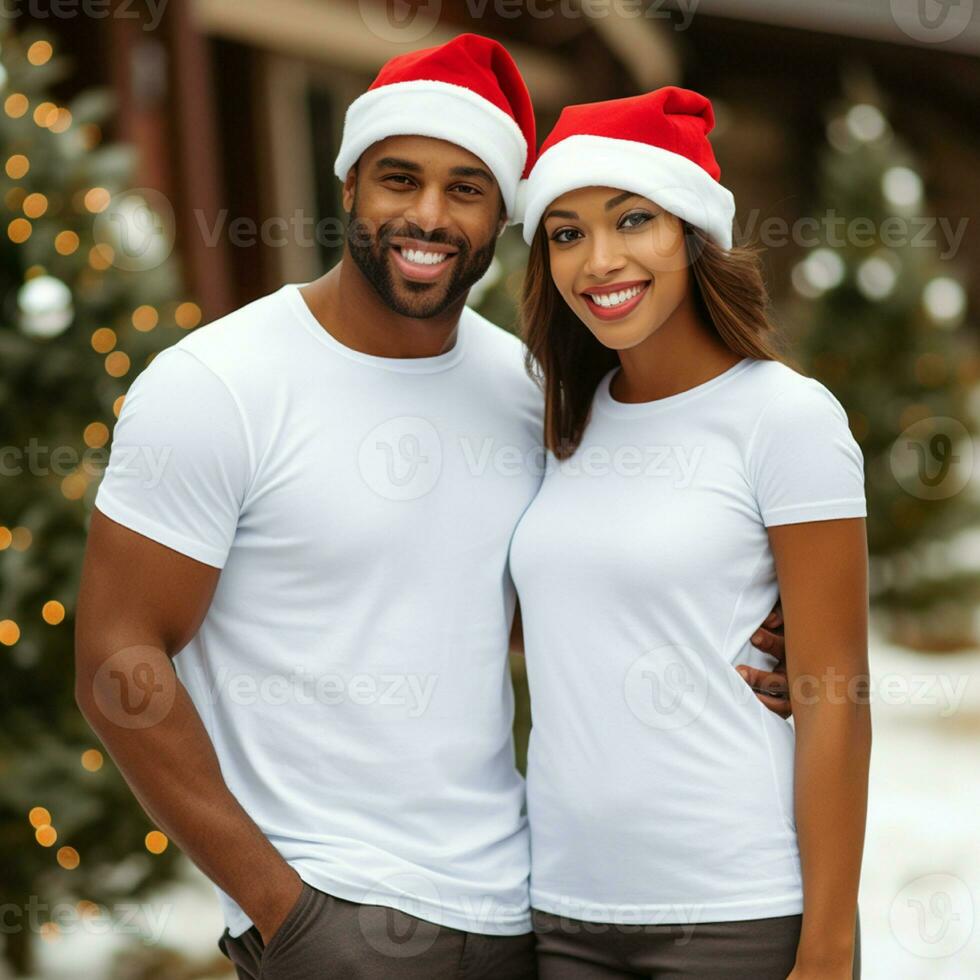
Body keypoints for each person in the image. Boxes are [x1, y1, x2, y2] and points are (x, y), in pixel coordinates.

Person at [74, 36, 790, 980]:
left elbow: (563, 595)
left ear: (501, 215)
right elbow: (116, 655)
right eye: (398, 179)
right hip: (333, 913)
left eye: (466, 188)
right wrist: (282, 911)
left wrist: (754, 631)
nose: (427, 214)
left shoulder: (531, 390)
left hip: (528, 913)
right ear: (348, 190)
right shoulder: (218, 383)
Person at [509, 87, 871, 979]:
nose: (600, 260)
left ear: (692, 233)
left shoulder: (785, 418)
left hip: (737, 912)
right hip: (564, 912)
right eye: (566, 232)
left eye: (633, 220)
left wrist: (825, 950)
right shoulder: (561, 419)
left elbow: (836, 696)